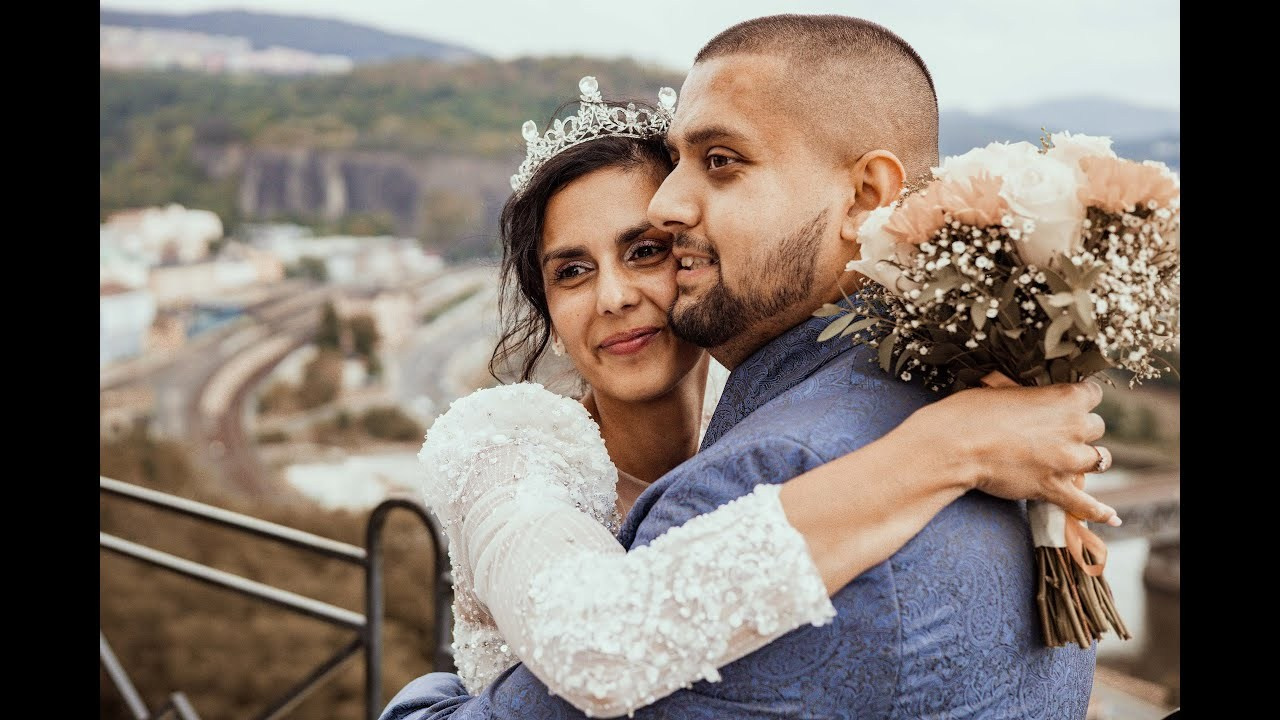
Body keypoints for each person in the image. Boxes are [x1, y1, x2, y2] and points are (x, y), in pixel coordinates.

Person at [384, 16, 1107, 720]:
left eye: (645, 251)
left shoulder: (766, 461)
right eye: (570, 271)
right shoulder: (516, 448)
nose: (614, 296)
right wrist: (950, 449)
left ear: (865, 196)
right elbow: (598, 639)